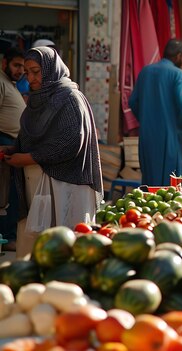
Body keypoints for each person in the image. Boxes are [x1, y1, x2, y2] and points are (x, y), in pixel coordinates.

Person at [2, 47, 102, 258]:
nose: (31, 78)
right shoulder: (36, 99)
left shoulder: (69, 98)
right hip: (37, 183)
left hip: (66, 184)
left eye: (36, 71)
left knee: (62, 244)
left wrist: (29, 158)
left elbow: (71, 141)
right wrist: (15, 148)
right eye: (28, 73)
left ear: (50, 69)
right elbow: (31, 135)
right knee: (37, 245)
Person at [130, 39, 182, 186]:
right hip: (171, 139)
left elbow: (132, 102)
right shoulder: (178, 75)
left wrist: (145, 119)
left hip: (148, 138)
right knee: (170, 186)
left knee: (150, 183)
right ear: (180, 56)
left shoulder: (145, 72)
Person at [0, 47, 26, 251]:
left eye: (23, 67)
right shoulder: (1, 82)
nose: (20, 70)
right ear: (4, 63)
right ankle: (6, 238)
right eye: (16, 65)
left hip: (11, 144)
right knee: (6, 195)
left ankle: (8, 236)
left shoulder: (11, 84)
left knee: (11, 194)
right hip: (3, 143)